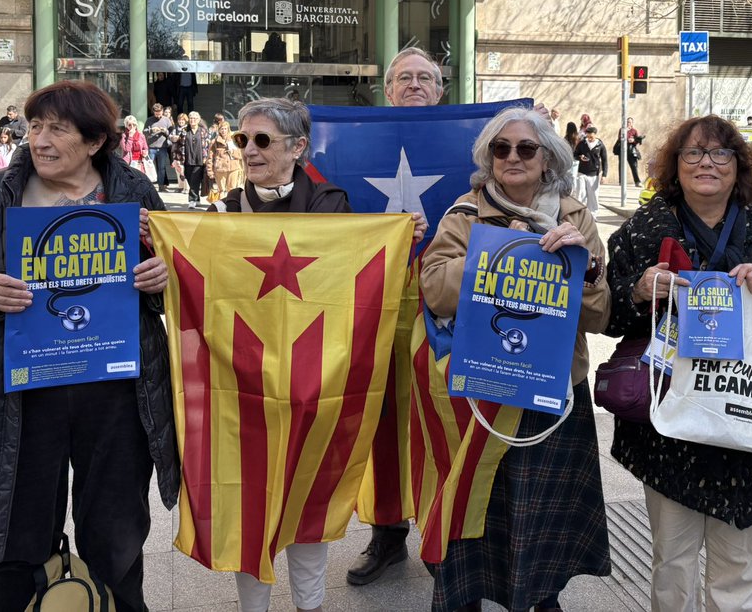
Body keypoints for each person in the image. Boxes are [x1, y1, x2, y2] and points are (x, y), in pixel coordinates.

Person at [0, 81, 179, 612]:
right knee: (14, 535)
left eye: (58, 128)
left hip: (116, 394)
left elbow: (185, 288)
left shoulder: (134, 197)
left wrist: (164, 279)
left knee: (116, 538)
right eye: (34, 126)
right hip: (16, 398)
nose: (40, 139)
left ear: (96, 140)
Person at [605, 115, 752, 611]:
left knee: (741, 577)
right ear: (675, 166)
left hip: (749, 434)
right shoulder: (643, 232)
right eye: (693, 153)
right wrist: (640, 291)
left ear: (738, 168)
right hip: (672, 431)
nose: (706, 163)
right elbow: (605, 313)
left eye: (720, 154)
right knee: (673, 567)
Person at [419, 106, 611, 612]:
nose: (512, 157)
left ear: (547, 157)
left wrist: (583, 271)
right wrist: (498, 257)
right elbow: (433, 289)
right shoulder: (464, 212)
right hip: (483, 392)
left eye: (526, 148)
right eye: (501, 148)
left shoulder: (575, 218)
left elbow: (599, 315)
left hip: (552, 394)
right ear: (488, 156)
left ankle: (540, 598)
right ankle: (462, 598)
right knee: (475, 511)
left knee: (540, 520)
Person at [207, 98, 352, 612]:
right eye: (242, 139)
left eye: (262, 140)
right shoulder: (220, 212)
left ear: (298, 148)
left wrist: (398, 241)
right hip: (245, 379)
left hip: (314, 375)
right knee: (251, 500)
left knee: (309, 494)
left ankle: (309, 605)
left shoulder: (334, 205)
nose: (248, 149)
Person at [345, 46, 444, 586]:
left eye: (423, 77)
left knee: (439, 419)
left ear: (440, 89)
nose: (412, 84)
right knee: (382, 421)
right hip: (378, 303)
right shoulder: (361, 140)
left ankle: (444, 533)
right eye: (402, 77)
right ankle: (387, 534)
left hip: (443, 308)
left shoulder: (470, 145)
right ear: (387, 90)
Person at [574, 124, 607, 217]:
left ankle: (593, 215)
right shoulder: (582, 143)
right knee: (580, 194)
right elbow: (575, 154)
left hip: (594, 174)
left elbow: (605, 160)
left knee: (593, 196)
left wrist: (604, 175)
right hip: (581, 173)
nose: (589, 139)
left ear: (595, 135)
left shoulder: (600, 145)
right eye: (588, 137)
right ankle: (581, 215)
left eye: (591, 137)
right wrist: (580, 157)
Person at [205, 115, 241, 200]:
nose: (224, 131)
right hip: (220, 169)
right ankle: (221, 209)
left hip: (233, 168)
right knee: (221, 190)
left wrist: (232, 153)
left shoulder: (234, 140)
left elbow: (241, 154)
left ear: (228, 129)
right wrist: (210, 171)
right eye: (222, 129)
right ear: (219, 130)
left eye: (225, 129)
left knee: (232, 190)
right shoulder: (215, 142)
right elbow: (210, 157)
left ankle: (231, 207)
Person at [179, 110, 209, 208]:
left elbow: (206, 146)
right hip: (187, 159)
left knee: (195, 180)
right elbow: (181, 145)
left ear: (198, 120)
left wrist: (206, 158)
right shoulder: (184, 130)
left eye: (195, 118)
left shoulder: (203, 131)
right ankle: (197, 198)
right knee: (189, 179)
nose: (192, 120)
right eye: (191, 118)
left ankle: (192, 200)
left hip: (199, 159)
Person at [143, 102, 172, 190]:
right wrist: (151, 130)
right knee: (150, 166)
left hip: (162, 147)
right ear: (153, 112)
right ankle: (149, 185)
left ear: (162, 111)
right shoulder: (149, 120)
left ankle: (161, 185)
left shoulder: (166, 120)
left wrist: (165, 131)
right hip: (151, 147)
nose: (158, 115)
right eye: (156, 114)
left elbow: (171, 133)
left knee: (162, 167)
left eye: (159, 113)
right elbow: (144, 131)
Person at [618, 116, 642, 185]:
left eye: (630, 122)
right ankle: (621, 181)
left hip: (631, 150)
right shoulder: (622, 130)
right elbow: (620, 139)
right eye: (627, 122)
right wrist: (627, 139)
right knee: (621, 166)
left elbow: (637, 140)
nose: (628, 123)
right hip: (622, 150)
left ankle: (637, 182)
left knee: (634, 166)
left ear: (632, 123)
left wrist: (634, 140)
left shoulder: (634, 131)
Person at [169, 111, 188, 192]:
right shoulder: (175, 128)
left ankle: (186, 187)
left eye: (182, 120)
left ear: (185, 121)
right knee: (177, 169)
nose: (181, 121)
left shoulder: (187, 129)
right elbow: (170, 137)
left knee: (184, 169)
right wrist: (173, 138)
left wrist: (179, 138)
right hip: (176, 152)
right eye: (180, 120)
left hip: (184, 152)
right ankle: (180, 186)